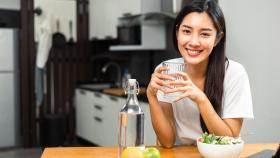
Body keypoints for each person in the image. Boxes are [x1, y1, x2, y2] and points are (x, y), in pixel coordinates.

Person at [146, 0, 253, 148]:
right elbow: (167, 141)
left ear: (217, 38)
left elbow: (230, 139)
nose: (194, 42)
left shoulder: (234, 73)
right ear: (177, 33)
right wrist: (151, 96)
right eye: (187, 31)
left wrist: (201, 99)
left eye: (204, 34)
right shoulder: (167, 70)